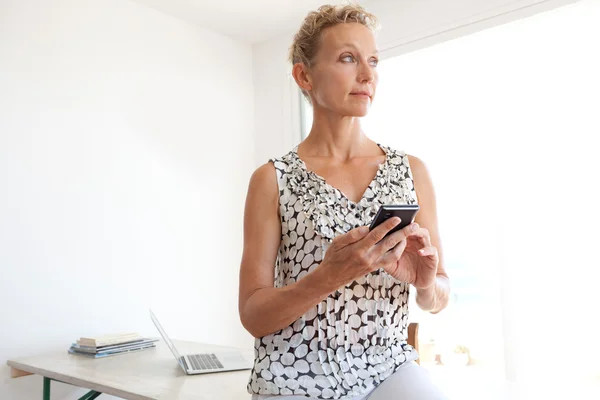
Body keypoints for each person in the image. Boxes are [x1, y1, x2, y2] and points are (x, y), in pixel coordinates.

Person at [239, 4, 450, 399]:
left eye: (373, 60)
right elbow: (253, 316)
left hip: (387, 367)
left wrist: (425, 285)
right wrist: (328, 276)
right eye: (348, 58)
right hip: (293, 372)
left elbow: (439, 294)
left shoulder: (412, 171)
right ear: (304, 75)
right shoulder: (271, 179)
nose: (368, 75)